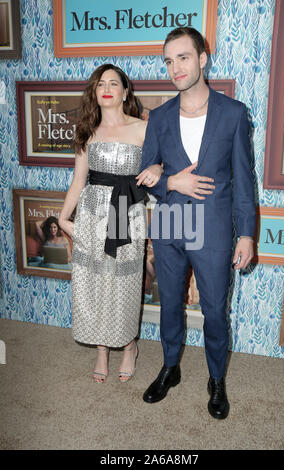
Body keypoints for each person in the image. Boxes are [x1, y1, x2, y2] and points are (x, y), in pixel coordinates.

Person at [136, 27, 256, 419]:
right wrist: (171, 180)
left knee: (215, 312)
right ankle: (170, 368)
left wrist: (248, 235)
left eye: (183, 57)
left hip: (215, 229)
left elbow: (244, 178)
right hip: (170, 223)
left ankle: (217, 378)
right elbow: (145, 173)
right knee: (169, 303)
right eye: (169, 61)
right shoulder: (160, 116)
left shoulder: (234, 114)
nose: (175, 68)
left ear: (203, 59)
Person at [59, 64, 161, 383]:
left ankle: (128, 345)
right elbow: (78, 181)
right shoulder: (88, 131)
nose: (106, 88)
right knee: (94, 281)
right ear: (95, 92)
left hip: (126, 213)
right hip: (93, 213)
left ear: (125, 92)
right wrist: (63, 217)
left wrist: (157, 168)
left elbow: (162, 163)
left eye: (113, 83)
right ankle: (102, 349)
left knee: (123, 283)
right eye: (100, 83)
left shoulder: (143, 128)